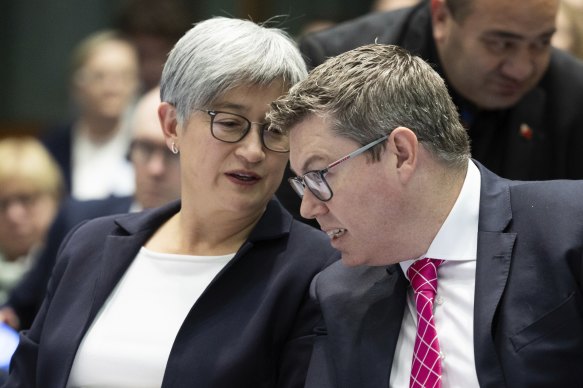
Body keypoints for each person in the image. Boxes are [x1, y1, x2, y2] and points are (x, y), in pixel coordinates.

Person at [4, 17, 339, 388]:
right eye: (230, 123)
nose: (253, 151)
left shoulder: (317, 270)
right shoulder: (89, 245)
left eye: (275, 129)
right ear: (171, 125)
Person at [268, 43, 583, 387]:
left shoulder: (567, 224)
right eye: (303, 184)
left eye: (319, 176)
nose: (307, 207)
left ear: (401, 154)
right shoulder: (340, 295)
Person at [298, 0, 583, 181]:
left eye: (541, 43)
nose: (521, 69)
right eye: (501, 44)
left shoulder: (572, 92)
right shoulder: (333, 65)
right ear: (442, 18)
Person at [0, 86, 181, 330]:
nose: (155, 169)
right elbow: (18, 309)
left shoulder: (219, 235)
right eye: (145, 148)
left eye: (172, 152)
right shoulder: (79, 218)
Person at [41, 29, 140, 200]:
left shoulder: (148, 147)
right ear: (78, 84)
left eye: (124, 76)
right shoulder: (52, 148)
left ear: (136, 85)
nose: (112, 88)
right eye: (100, 77)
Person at [0, 137, 64, 305]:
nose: (13, 215)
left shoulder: (69, 270)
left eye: (26, 198)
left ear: (54, 199)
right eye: (2, 203)